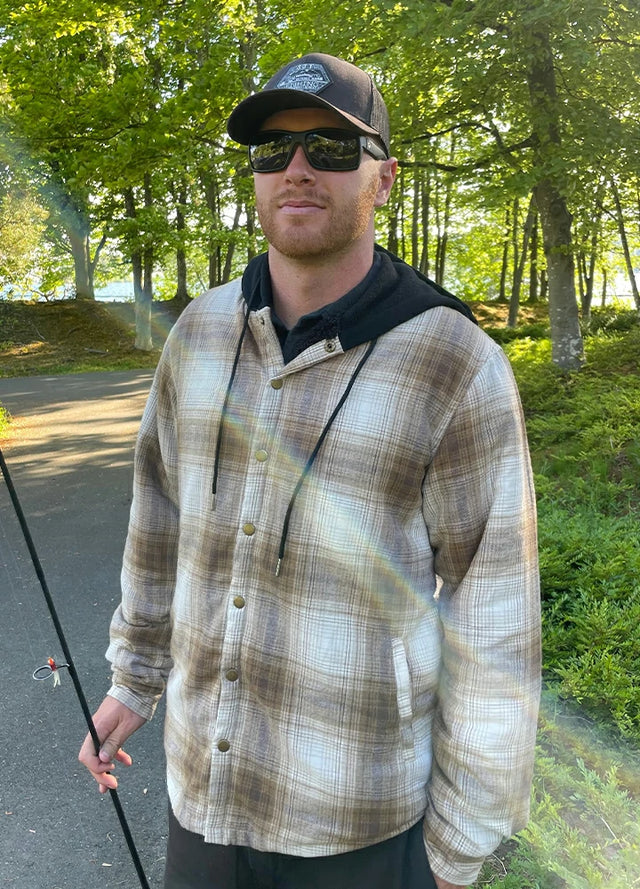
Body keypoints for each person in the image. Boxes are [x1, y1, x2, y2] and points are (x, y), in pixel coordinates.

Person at [79, 52, 541, 889]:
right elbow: (158, 526)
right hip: (204, 797)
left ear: (385, 179)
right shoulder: (200, 334)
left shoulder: (455, 364)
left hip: (355, 818)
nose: (296, 169)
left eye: (330, 147)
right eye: (272, 151)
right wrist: (133, 680)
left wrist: (460, 843)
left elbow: (496, 613)